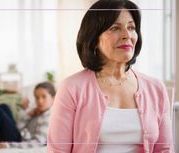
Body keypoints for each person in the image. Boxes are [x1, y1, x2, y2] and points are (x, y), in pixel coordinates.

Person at [47, 0, 174, 153]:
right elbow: (58, 150)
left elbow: (165, 150)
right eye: (115, 28)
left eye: (131, 27)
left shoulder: (156, 88)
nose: (127, 35)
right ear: (94, 39)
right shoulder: (71, 88)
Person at [0, 82, 55, 150]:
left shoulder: (48, 118)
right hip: (19, 135)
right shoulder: (37, 112)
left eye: (44, 97)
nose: (40, 101)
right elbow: (18, 128)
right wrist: (28, 115)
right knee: (3, 107)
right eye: (37, 97)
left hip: (21, 141)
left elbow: (37, 143)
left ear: (53, 98)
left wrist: (9, 145)